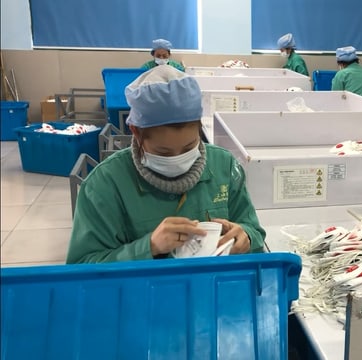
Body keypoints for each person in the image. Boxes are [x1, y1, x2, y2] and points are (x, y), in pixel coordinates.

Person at [67, 66, 265, 263]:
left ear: (199, 127)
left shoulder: (224, 166)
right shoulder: (105, 184)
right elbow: (82, 267)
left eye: (189, 147)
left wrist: (246, 236)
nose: (178, 160)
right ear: (135, 131)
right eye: (163, 152)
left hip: (213, 287)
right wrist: (149, 247)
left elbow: (253, 230)